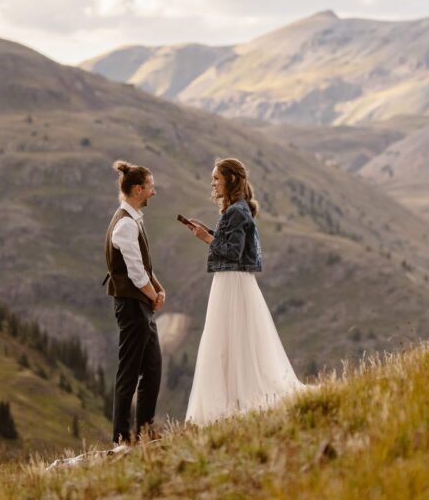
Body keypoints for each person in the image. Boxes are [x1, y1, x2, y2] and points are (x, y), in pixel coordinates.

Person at [184, 157, 302, 425]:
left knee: (228, 337)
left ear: (231, 180)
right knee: (232, 338)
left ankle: (232, 401)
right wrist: (210, 233)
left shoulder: (237, 211)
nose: (212, 183)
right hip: (232, 281)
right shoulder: (237, 209)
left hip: (232, 282)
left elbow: (232, 252)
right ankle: (232, 397)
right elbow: (230, 242)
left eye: (216, 178)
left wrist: (206, 238)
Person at [104, 160, 165, 444]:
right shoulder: (125, 225)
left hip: (139, 305)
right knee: (129, 373)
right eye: (150, 187)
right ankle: (121, 439)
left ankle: (143, 433)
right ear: (138, 189)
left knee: (152, 368)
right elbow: (136, 272)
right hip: (131, 306)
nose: (154, 192)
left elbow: (144, 267)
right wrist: (154, 296)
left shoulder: (132, 219)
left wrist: (158, 288)